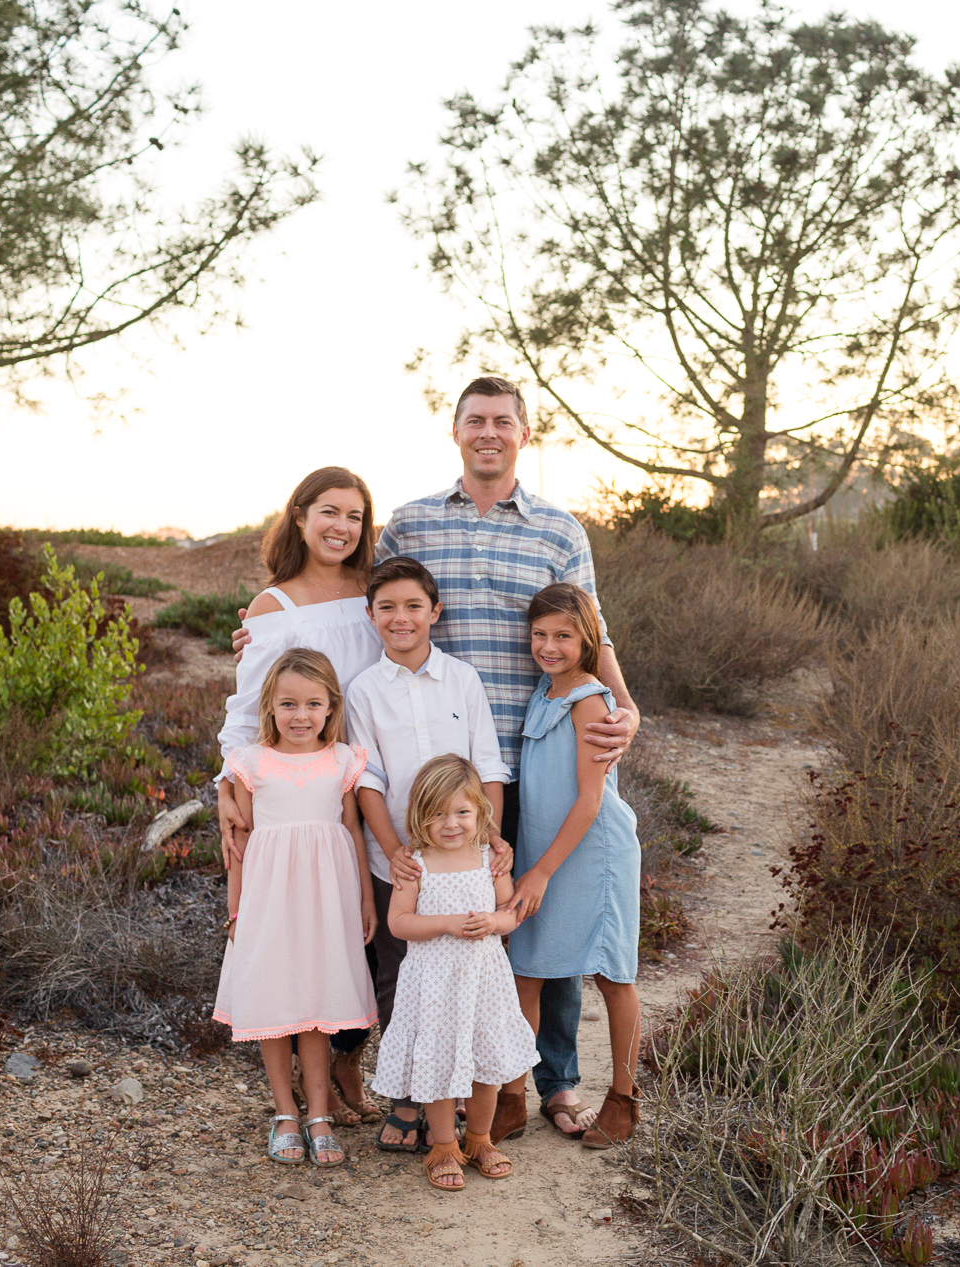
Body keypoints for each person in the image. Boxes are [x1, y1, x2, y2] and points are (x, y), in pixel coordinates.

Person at [229, 376, 644, 1143]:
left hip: (522, 750)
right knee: (417, 938)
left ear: (524, 431)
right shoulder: (414, 523)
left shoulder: (560, 528)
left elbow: (596, 629)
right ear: (455, 431)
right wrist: (270, 625)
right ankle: (422, 1085)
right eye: (475, 421)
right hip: (422, 793)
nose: (489, 432)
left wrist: (625, 704)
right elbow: (367, 594)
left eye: (503, 421)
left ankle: (539, 1079)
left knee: (526, 923)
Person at [215, 465, 388, 1124]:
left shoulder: (375, 591)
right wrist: (230, 786)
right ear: (299, 516)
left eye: (354, 515)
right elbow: (244, 710)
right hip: (304, 786)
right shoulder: (273, 606)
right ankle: (315, 1085)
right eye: (329, 512)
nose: (342, 526)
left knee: (367, 929)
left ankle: (352, 1058)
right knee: (311, 930)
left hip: (374, 774)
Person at [344, 555, 513, 1152]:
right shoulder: (362, 690)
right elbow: (368, 777)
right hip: (402, 858)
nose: (401, 617)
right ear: (370, 616)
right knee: (402, 977)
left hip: (465, 855)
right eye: (386, 607)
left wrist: (492, 838)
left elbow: (487, 761)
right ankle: (408, 1099)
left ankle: (465, 1096)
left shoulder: (462, 679)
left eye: (413, 605)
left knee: (469, 973)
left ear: (435, 612)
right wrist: (393, 852)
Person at [212, 649, 377, 1168]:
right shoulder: (251, 763)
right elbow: (239, 843)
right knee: (276, 1005)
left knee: (315, 1008)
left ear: (331, 707)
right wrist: (235, 912)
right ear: (271, 706)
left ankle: (320, 1114)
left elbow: (352, 831)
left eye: (312, 704)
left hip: (326, 904)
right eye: (288, 704)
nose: (300, 715)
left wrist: (365, 900)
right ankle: (285, 1111)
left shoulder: (343, 761)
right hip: (268, 902)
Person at [502, 583, 642, 1149]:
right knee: (527, 970)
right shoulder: (545, 691)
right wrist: (534, 864)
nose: (550, 646)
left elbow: (589, 801)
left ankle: (624, 1100)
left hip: (594, 854)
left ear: (589, 639)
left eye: (564, 636)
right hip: (546, 850)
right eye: (540, 635)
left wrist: (538, 873)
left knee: (612, 974)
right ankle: (510, 1098)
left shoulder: (589, 698)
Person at [369, 755, 538, 1192]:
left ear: (481, 812)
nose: (451, 823)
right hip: (433, 984)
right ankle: (443, 1144)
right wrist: (444, 923)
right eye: (437, 814)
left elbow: (510, 912)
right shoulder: (414, 863)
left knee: (487, 1064)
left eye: (462, 812)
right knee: (438, 1061)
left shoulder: (489, 859)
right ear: (418, 817)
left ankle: (479, 1139)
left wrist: (493, 922)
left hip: (483, 980)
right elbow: (399, 923)